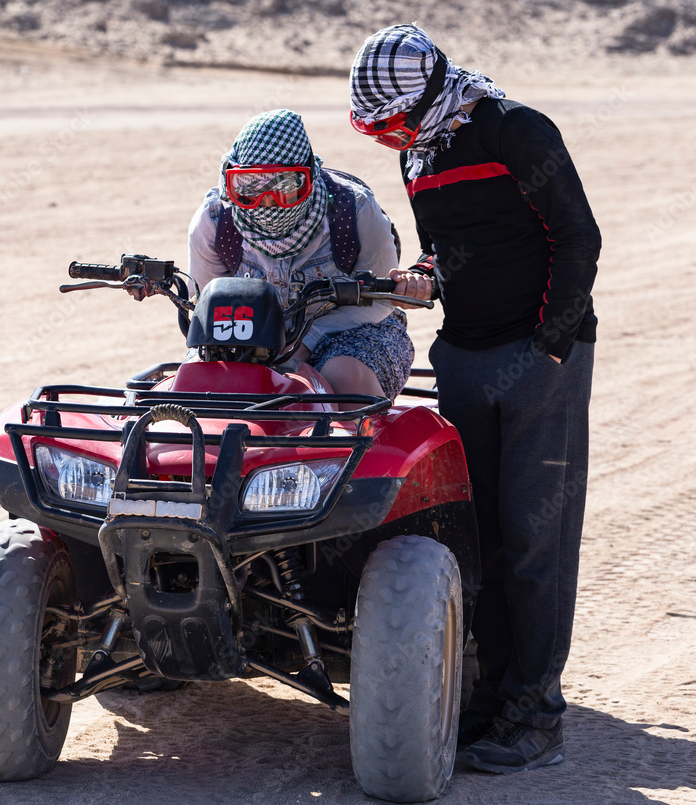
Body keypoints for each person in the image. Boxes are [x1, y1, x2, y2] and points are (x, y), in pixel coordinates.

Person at [349, 24, 601, 774]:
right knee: (478, 538)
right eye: (380, 129)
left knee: (535, 541)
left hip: (538, 362)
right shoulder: (418, 154)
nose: (389, 137)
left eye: (393, 121)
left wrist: (550, 345)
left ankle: (537, 716)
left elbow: (578, 238)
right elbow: (446, 247)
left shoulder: (517, 130)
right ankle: (487, 699)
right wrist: (423, 273)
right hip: (462, 359)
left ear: (426, 95)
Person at [184, 108, 423, 400]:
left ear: (310, 175)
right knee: (197, 384)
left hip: (355, 329)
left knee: (345, 381)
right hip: (250, 336)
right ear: (229, 180)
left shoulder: (355, 210)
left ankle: (363, 443)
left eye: (285, 187)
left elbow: (379, 304)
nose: (267, 203)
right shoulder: (214, 220)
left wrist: (305, 342)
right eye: (248, 187)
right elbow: (209, 305)